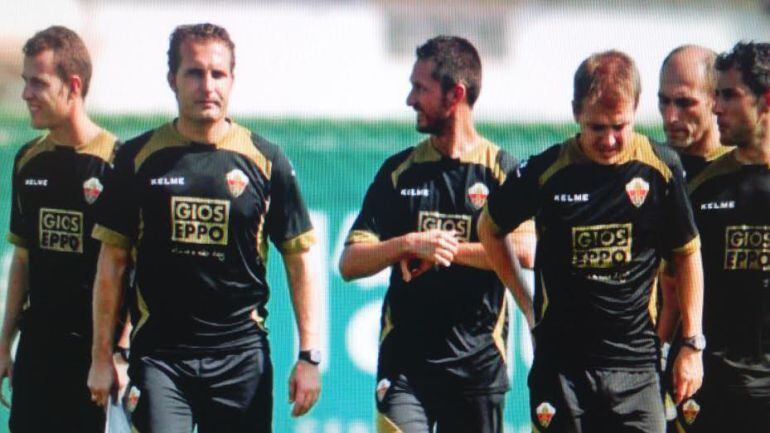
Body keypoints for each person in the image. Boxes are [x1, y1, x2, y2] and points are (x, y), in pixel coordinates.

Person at [86, 23, 321, 433]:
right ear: (172, 79)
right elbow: (113, 262)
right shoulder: (137, 158)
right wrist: (102, 356)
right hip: (160, 357)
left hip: (240, 358)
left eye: (218, 74)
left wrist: (309, 356)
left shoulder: (267, 161)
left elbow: (299, 260)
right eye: (194, 72)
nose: (207, 85)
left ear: (232, 79)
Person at [478, 50, 705, 433]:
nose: (610, 140)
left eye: (620, 126)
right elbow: (489, 228)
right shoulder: (548, 171)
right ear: (575, 112)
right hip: (562, 368)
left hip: (637, 370)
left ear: (634, 109)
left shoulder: (662, 168)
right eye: (597, 127)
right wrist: (528, 306)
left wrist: (692, 344)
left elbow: (688, 255)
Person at [339, 36, 536, 433]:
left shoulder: (501, 170)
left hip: (479, 366)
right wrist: (409, 244)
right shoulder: (400, 172)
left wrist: (449, 249)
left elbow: (527, 250)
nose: (410, 99)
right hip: (406, 365)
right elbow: (349, 262)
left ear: (455, 94)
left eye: (420, 89)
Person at [0, 26, 122, 433]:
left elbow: (133, 271)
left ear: (72, 86)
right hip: (38, 349)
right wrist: (4, 343)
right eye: (25, 83)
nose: (26, 94)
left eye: (38, 82)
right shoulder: (28, 161)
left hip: (94, 357)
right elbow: (23, 259)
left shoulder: (118, 163)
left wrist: (115, 354)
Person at [676, 41, 770, 432]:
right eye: (715, 95)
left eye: (729, 95)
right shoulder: (699, 189)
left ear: (766, 100)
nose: (716, 107)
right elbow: (670, 286)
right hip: (711, 387)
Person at [654, 45, 732, 430]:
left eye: (685, 103)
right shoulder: (649, 170)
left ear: (715, 100)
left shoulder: (744, 174)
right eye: (664, 101)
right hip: (658, 363)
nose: (671, 116)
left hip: (731, 368)